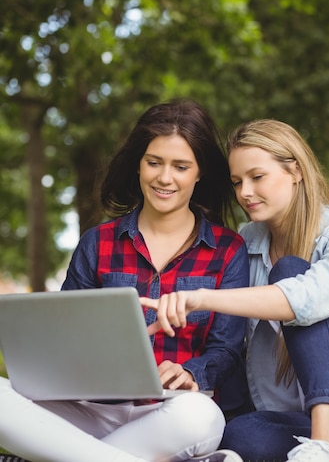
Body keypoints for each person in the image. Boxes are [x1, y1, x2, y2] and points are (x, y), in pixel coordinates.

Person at [141, 118, 329, 462]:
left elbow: (310, 299)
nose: (244, 192)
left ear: (296, 170)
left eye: (257, 177)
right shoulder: (247, 242)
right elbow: (235, 345)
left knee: (291, 273)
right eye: (237, 181)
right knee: (240, 434)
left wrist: (200, 297)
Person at [0, 99, 249, 462]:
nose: (165, 178)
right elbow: (64, 337)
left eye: (181, 166)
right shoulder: (97, 242)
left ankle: (59, 454)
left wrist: (191, 372)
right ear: (138, 164)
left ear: (200, 173)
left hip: (171, 414)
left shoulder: (228, 250)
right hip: (87, 410)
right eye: (154, 162)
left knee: (203, 417)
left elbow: (227, 350)